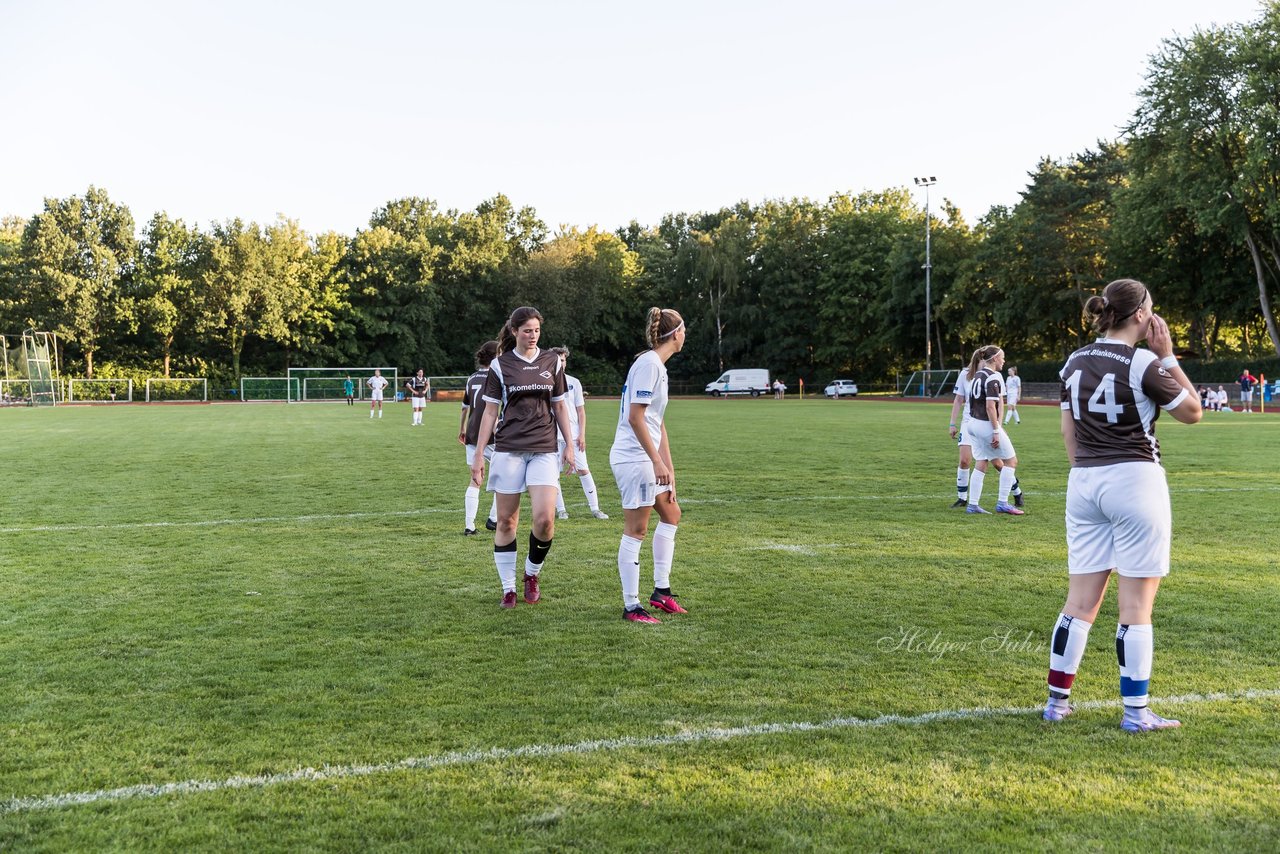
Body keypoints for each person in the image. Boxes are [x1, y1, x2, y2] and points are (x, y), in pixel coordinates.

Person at [1042, 278, 1201, 732]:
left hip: (1084, 481)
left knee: (1079, 602)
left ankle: (1057, 703)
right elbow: (1193, 412)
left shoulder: (1074, 360)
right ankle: (1136, 713)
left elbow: (1067, 432)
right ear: (1140, 315)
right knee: (1135, 606)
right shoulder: (1144, 360)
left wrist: (1086, 471)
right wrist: (1168, 354)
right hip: (1135, 480)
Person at [471, 307, 575, 608]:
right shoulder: (500, 366)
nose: (532, 335)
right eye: (527, 330)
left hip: (544, 449)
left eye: (537, 330)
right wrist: (479, 454)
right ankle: (508, 589)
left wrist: (570, 445)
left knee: (544, 521)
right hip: (508, 450)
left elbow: (560, 406)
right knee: (506, 522)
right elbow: (490, 411)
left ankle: (531, 573)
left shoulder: (552, 362)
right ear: (514, 331)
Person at [610, 306, 688, 624]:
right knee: (637, 529)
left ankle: (661, 593)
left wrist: (669, 468)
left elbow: (658, 423)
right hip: (634, 458)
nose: (686, 336)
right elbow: (635, 416)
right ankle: (632, 606)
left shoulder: (657, 366)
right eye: (684, 330)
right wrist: (655, 461)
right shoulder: (649, 364)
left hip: (649, 459)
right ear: (675, 334)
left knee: (672, 513)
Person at [948, 366, 1024, 509]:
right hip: (969, 422)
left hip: (987, 423)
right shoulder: (965, 373)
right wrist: (952, 423)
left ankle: (1016, 491)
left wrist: (998, 427)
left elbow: (999, 403)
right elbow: (958, 399)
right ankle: (962, 498)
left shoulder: (995, 375)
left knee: (996, 463)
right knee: (965, 460)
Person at [549, 347, 609, 522]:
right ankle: (561, 510)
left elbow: (581, 412)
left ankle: (595, 509)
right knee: (553, 475)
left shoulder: (574, 382)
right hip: (552, 437)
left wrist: (582, 435)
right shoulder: (546, 382)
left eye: (563, 360)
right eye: (557, 360)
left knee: (584, 470)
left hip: (573, 436)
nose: (561, 363)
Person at [460, 342, 500, 536]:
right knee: (505, 478)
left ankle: (470, 526)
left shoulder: (471, 378)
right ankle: (493, 519)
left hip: (472, 433)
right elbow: (494, 408)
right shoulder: (498, 375)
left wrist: (462, 429)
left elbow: (464, 407)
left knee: (475, 479)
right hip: (491, 434)